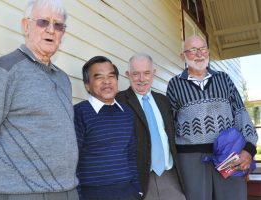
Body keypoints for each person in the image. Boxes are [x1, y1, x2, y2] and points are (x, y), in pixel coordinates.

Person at [0, 0, 79, 199]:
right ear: (26, 26)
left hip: (67, 190)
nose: (51, 30)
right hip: (20, 193)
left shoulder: (63, 79)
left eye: (58, 25)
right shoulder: (2, 71)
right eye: (43, 22)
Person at [166, 35, 259, 200]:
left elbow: (240, 112)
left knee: (233, 196)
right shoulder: (174, 84)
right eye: (193, 50)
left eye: (202, 49)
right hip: (191, 158)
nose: (199, 54)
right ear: (183, 56)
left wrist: (249, 148)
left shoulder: (224, 79)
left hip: (229, 153)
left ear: (208, 51)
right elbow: (170, 124)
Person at [116, 53, 185, 200]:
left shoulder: (164, 101)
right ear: (128, 74)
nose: (142, 79)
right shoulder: (118, 101)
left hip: (169, 176)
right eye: (136, 74)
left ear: (153, 73)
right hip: (139, 179)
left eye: (147, 73)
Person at [74, 56, 142, 200]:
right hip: (93, 194)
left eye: (111, 76)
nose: (107, 82)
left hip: (128, 192)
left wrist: (137, 190)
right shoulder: (78, 113)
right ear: (87, 85)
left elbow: (130, 154)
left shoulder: (127, 112)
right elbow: (72, 161)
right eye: (99, 77)